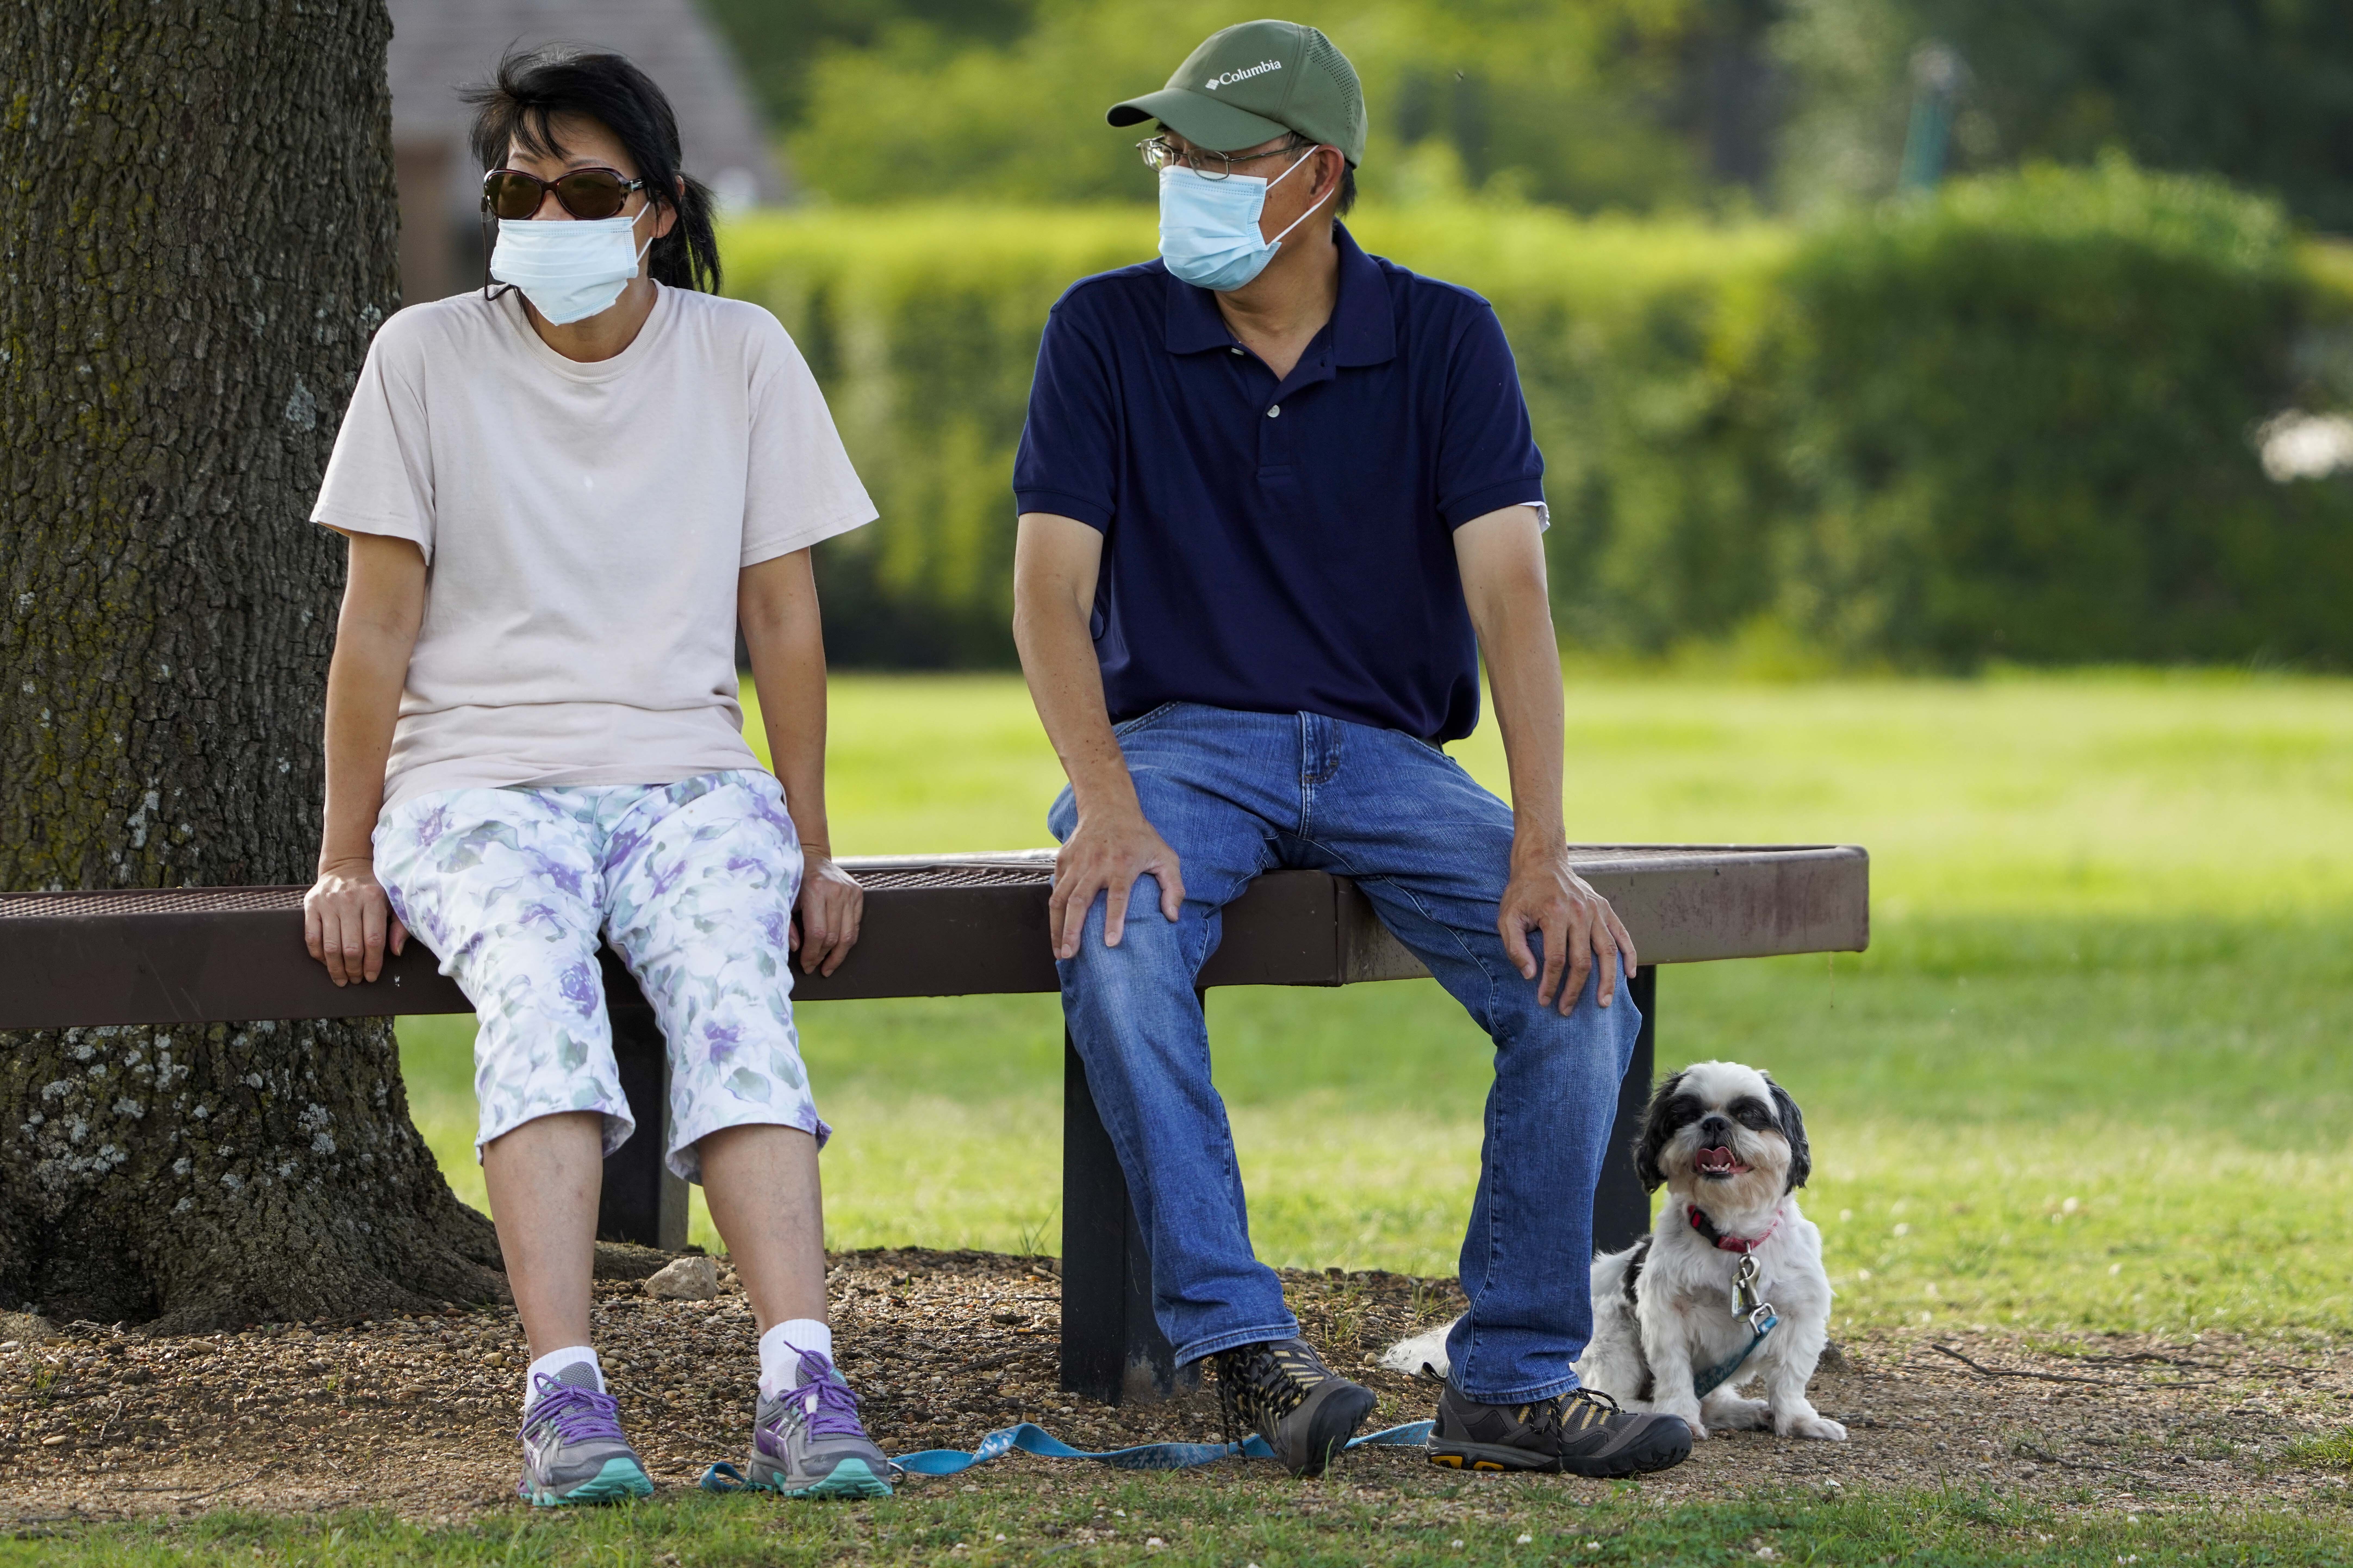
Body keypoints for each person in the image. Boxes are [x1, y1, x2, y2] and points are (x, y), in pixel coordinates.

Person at [1011, 20, 1695, 1480]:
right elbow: (1048, 595)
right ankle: (1242, 1351)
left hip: (1389, 752)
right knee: (1119, 929)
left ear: (1320, 176)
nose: (1179, 177)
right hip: (1181, 746)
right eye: (1168, 152)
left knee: (1580, 984)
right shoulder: (1105, 330)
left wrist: (1542, 847)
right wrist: (1112, 808)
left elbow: (1514, 600)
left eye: (1215, 155)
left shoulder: (1444, 337)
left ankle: (1510, 1377)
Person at [300, 48, 891, 1504]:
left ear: (659, 210)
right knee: (538, 995)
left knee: (736, 998)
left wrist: (814, 846)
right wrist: (344, 853)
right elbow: (374, 622)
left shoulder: (740, 353)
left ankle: (802, 1381)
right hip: (472, 786)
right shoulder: (422, 358)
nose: (548, 211)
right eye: (520, 185)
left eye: (587, 187)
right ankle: (566, 1395)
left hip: (689, 776)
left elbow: (782, 621)